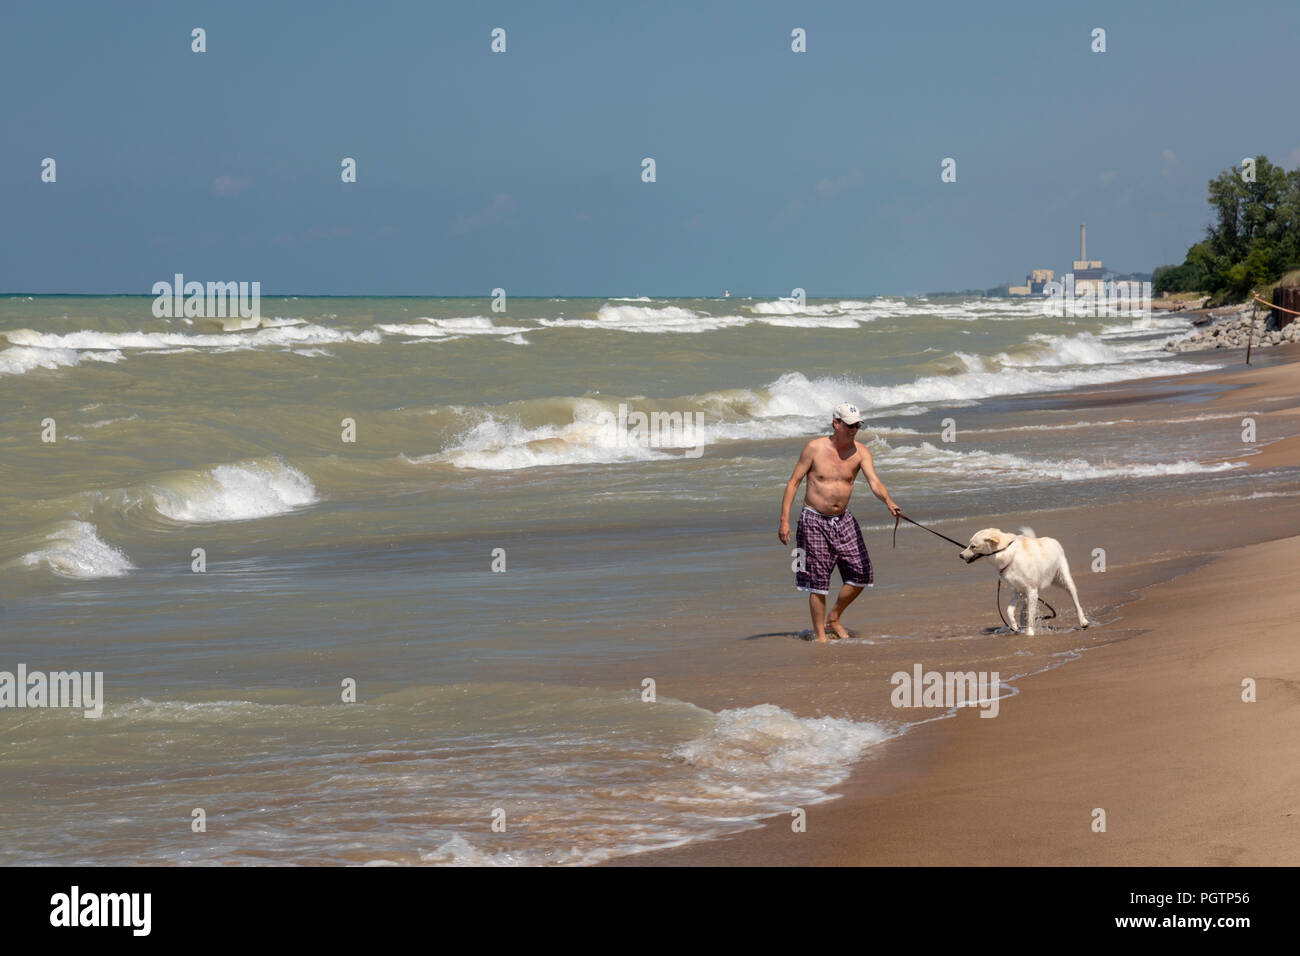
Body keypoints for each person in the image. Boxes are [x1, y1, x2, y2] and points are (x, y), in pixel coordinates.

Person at [778, 403, 901, 642]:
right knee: (818, 582)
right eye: (850, 425)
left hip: (843, 519)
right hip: (813, 519)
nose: (855, 429)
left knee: (862, 573)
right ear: (836, 423)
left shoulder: (861, 452)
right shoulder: (814, 448)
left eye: (858, 425)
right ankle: (820, 637)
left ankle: (833, 617)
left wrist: (888, 500)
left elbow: (874, 482)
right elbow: (793, 482)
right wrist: (784, 520)